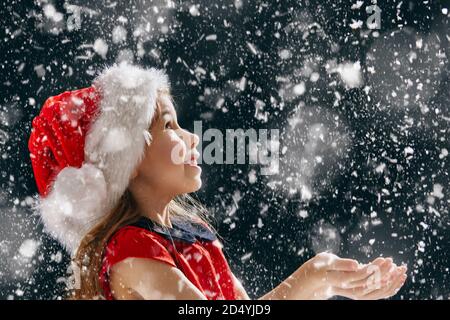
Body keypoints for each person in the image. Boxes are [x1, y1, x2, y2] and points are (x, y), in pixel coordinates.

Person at [28, 62, 407, 300]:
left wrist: (320, 277)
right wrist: (309, 279)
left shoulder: (192, 234)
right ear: (129, 160)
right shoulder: (132, 249)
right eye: (169, 125)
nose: (192, 138)